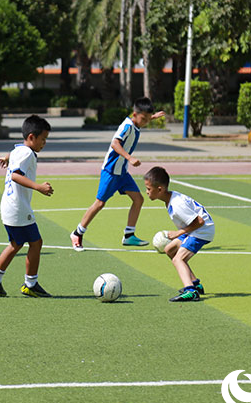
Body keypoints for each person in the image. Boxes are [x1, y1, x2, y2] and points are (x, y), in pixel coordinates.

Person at [70, 97, 164, 251]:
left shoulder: (136, 122)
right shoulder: (127, 126)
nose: (146, 122)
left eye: (148, 119)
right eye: (144, 118)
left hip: (122, 172)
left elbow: (143, 118)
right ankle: (77, 233)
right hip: (111, 171)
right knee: (100, 203)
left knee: (138, 199)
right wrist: (130, 157)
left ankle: (129, 236)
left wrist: (152, 117)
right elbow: (115, 143)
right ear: (135, 114)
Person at [0, 115, 54, 298]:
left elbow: (13, 153)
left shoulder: (19, 150)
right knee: (36, 242)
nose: (44, 143)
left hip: (9, 206)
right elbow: (16, 175)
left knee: (16, 244)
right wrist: (39, 187)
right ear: (31, 137)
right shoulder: (26, 153)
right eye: (43, 139)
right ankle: (30, 284)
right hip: (18, 208)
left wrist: (6, 157)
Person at [143, 166, 214, 302]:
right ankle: (195, 284)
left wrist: (178, 233)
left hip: (202, 231)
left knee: (178, 259)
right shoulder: (169, 199)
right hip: (195, 229)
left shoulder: (177, 204)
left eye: (148, 189)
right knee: (170, 250)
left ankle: (190, 291)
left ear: (159, 189)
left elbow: (199, 221)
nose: (146, 192)